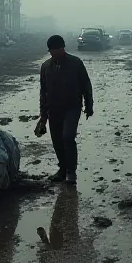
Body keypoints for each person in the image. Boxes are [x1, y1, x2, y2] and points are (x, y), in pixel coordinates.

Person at [35, 35, 93, 184]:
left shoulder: (76, 63)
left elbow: (86, 85)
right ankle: (62, 169)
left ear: (62, 48)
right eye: (50, 51)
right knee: (57, 141)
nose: (52, 53)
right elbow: (43, 91)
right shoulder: (46, 66)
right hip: (54, 109)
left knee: (67, 137)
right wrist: (43, 115)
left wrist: (89, 105)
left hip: (72, 107)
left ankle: (71, 172)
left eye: (55, 50)